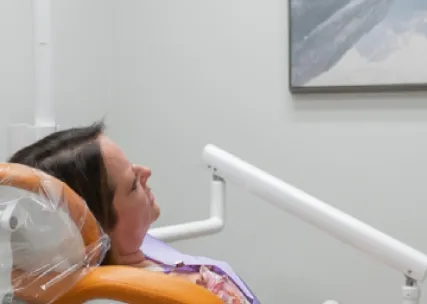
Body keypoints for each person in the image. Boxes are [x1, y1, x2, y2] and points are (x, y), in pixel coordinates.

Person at [8, 121, 258, 304]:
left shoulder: (135, 252)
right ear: (99, 230)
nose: (146, 172)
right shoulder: (148, 295)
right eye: (133, 184)